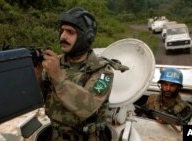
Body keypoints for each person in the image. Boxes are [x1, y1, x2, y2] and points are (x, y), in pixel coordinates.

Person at [35, 7, 128, 141]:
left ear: (87, 37)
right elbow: (39, 99)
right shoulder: (56, 63)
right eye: (62, 31)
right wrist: (36, 75)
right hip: (55, 136)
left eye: (70, 32)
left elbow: (87, 107)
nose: (62, 36)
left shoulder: (103, 72)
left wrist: (57, 76)